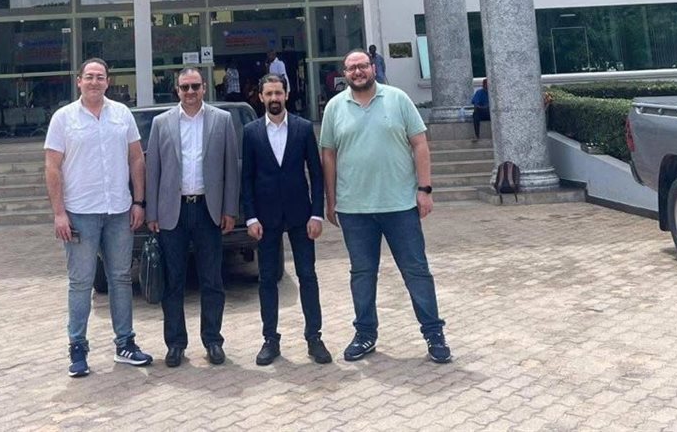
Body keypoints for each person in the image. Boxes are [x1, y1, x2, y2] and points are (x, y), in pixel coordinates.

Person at [320, 48, 452, 365]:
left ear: (373, 67)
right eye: (351, 68)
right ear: (344, 74)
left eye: (362, 66)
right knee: (362, 275)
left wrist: (425, 189)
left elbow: (420, 143)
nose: (357, 72)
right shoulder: (335, 107)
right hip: (354, 209)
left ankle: (434, 334)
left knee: (416, 271)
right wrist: (331, 199)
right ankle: (365, 334)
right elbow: (328, 155)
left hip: (400, 205)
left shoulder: (398, 99)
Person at [45, 58, 152, 378]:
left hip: (118, 211)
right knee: (80, 283)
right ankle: (77, 348)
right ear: (79, 81)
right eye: (89, 77)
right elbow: (52, 167)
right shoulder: (63, 118)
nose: (94, 82)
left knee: (121, 278)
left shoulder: (122, 115)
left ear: (108, 82)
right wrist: (59, 213)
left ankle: (125, 343)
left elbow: (137, 159)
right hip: (80, 214)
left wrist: (139, 201)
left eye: (100, 77)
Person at [146, 67, 239, 368]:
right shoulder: (161, 123)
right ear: (177, 90)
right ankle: (175, 344)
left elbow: (230, 169)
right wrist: (151, 212)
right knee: (173, 282)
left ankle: (213, 340)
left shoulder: (222, 120)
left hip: (207, 210)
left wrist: (229, 209)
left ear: (204, 88)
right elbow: (153, 170)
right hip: (172, 211)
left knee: (212, 280)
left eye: (195, 86)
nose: (190, 92)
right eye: (184, 87)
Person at [241, 74, 330, 366]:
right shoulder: (251, 132)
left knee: (307, 276)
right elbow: (247, 178)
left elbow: (316, 174)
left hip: (300, 215)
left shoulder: (303, 128)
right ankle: (270, 339)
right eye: (269, 94)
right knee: (267, 279)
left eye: (278, 93)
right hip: (265, 218)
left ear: (286, 94)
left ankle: (314, 338)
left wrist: (316, 213)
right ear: (261, 97)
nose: (274, 98)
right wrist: (250, 217)